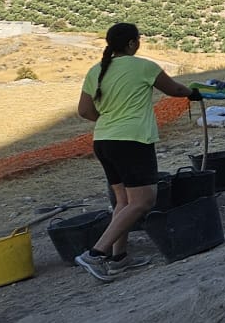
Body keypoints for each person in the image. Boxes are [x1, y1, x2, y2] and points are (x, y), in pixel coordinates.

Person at [71, 23, 203, 282]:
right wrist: (194, 93)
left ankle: (119, 259)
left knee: (123, 202)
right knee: (143, 202)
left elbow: (85, 111)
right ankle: (96, 254)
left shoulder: (95, 70)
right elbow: (174, 89)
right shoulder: (144, 66)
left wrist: (110, 120)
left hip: (104, 140)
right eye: (138, 40)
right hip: (132, 141)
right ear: (132, 44)